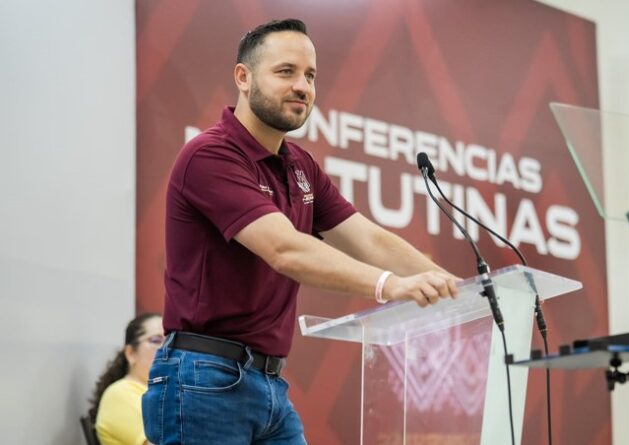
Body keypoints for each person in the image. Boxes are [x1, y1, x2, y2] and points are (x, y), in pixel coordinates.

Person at [142, 18, 458, 445]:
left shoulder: (300, 165)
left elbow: (369, 239)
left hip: (270, 384)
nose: (302, 86)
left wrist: (465, 290)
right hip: (203, 379)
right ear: (243, 78)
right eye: (285, 71)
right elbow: (284, 249)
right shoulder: (210, 154)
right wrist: (391, 285)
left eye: (310, 76)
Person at [90, 313, 163, 445]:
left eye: (171, 341)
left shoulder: (161, 393)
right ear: (130, 353)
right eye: (156, 340)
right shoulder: (119, 394)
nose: (167, 348)